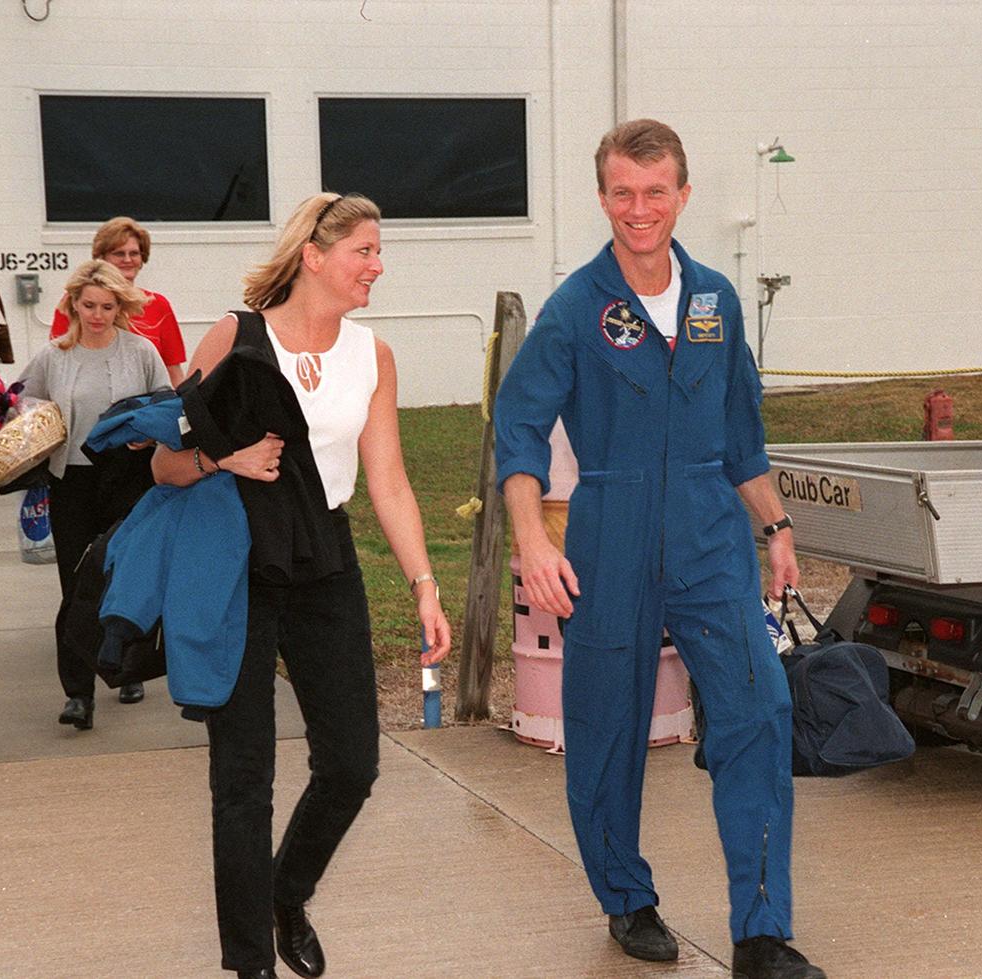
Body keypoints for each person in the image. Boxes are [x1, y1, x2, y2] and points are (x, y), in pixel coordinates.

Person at [495, 119, 825, 979]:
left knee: (760, 713)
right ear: (604, 197)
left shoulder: (716, 299)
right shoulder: (576, 308)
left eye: (654, 192)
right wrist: (534, 541)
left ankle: (760, 933)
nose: (638, 210)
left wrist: (778, 528)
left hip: (713, 537)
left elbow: (743, 435)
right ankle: (626, 897)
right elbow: (519, 430)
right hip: (610, 537)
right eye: (621, 193)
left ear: (683, 195)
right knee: (606, 728)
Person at [152, 192, 452, 979]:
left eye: (378, 251)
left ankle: (287, 892)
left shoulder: (371, 355)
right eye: (364, 250)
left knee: (353, 762)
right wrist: (227, 458)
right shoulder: (235, 337)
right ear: (314, 256)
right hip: (236, 564)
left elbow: (387, 478)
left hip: (325, 557)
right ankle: (251, 961)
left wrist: (423, 583)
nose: (377, 265)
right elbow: (162, 463)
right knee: (243, 778)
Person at [17, 260, 170, 728]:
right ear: (73, 305)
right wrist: (32, 421)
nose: (98, 315)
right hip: (73, 480)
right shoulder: (54, 355)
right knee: (75, 583)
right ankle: (78, 693)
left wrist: (148, 432)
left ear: (120, 307)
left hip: (129, 478)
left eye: (107, 306)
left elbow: (167, 403)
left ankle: (127, 669)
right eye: (89, 306)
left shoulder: (141, 351)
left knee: (126, 577)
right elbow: (24, 399)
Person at [51, 216, 187, 386]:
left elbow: (173, 371)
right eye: (119, 253)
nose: (128, 260)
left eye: (134, 253)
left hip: (146, 409)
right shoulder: (75, 303)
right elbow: (57, 364)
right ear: (101, 258)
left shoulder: (158, 305)